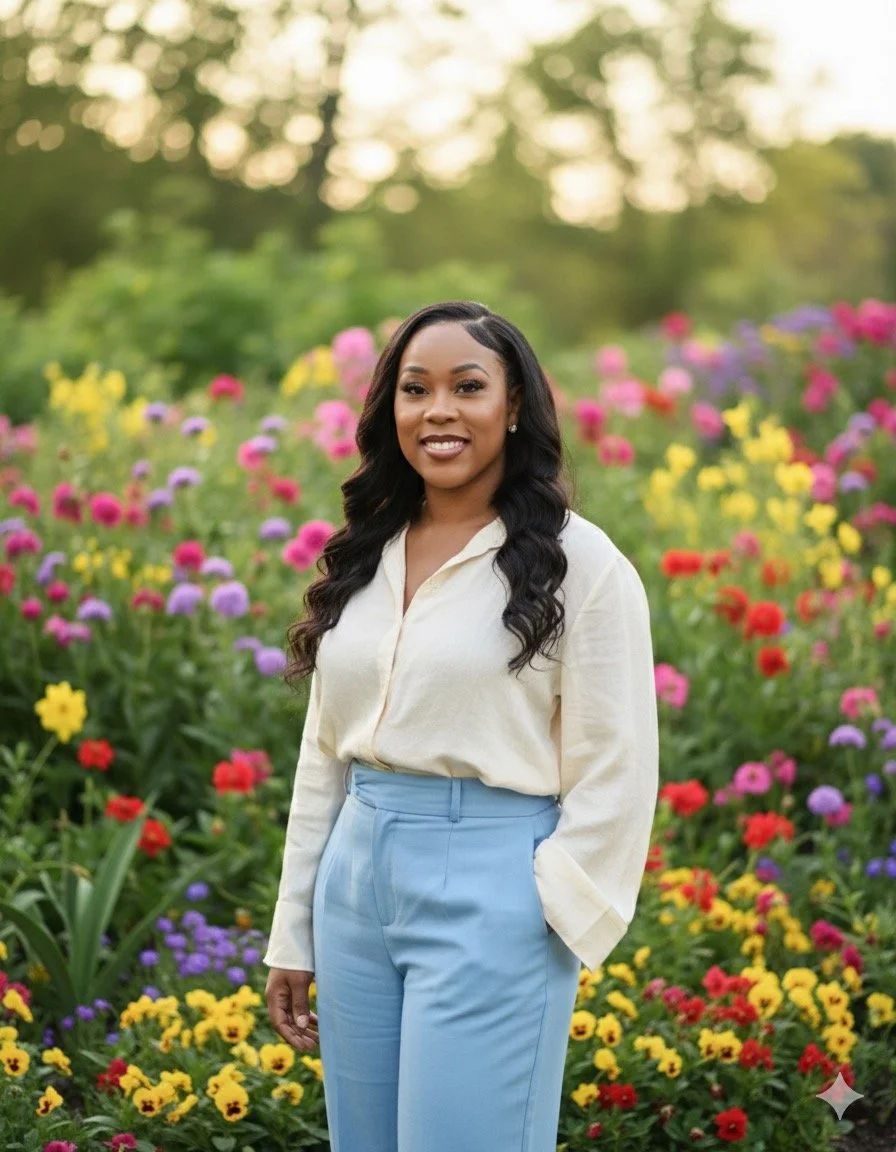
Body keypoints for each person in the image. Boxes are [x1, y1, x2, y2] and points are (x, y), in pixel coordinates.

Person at [263, 300, 660, 1152]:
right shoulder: (366, 553)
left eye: (467, 387)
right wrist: (293, 926)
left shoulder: (581, 565)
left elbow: (617, 764)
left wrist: (550, 906)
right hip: (356, 885)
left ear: (514, 407)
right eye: (416, 389)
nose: (439, 410)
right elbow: (323, 754)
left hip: (494, 891)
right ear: (391, 410)